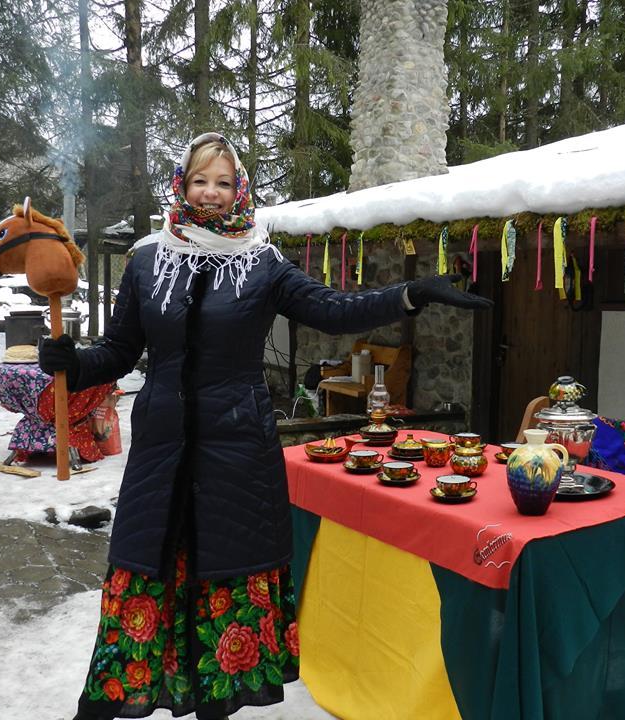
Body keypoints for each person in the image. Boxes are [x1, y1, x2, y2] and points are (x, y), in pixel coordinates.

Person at [39, 132, 491, 720]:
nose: (211, 192)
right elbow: (121, 351)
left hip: (238, 454)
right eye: (200, 180)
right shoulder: (148, 260)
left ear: (240, 190)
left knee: (224, 576)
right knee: (145, 565)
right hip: (162, 453)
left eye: (224, 182)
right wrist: (74, 363)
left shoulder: (263, 262)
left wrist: (409, 294)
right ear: (181, 184)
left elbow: (332, 309)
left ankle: (215, 706)